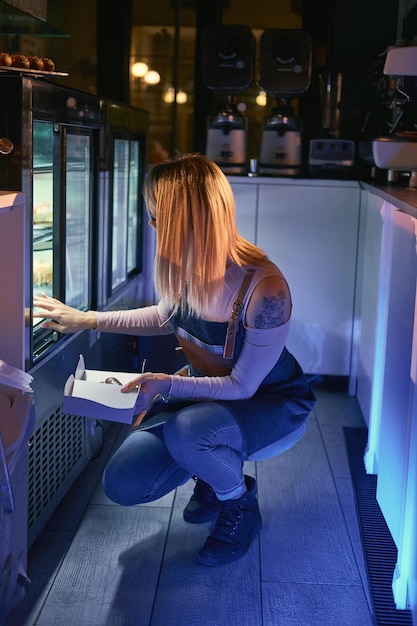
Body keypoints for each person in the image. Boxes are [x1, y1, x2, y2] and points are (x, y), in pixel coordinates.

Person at [33, 153, 316, 567]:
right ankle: (215, 471)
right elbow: (164, 316)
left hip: (269, 404)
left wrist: (166, 384)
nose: (150, 225)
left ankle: (238, 503)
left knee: (189, 431)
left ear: (188, 220)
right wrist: (86, 320)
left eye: (156, 216)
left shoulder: (265, 288)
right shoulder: (186, 266)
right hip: (209, 399)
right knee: (123, 482)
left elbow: (241, 387)